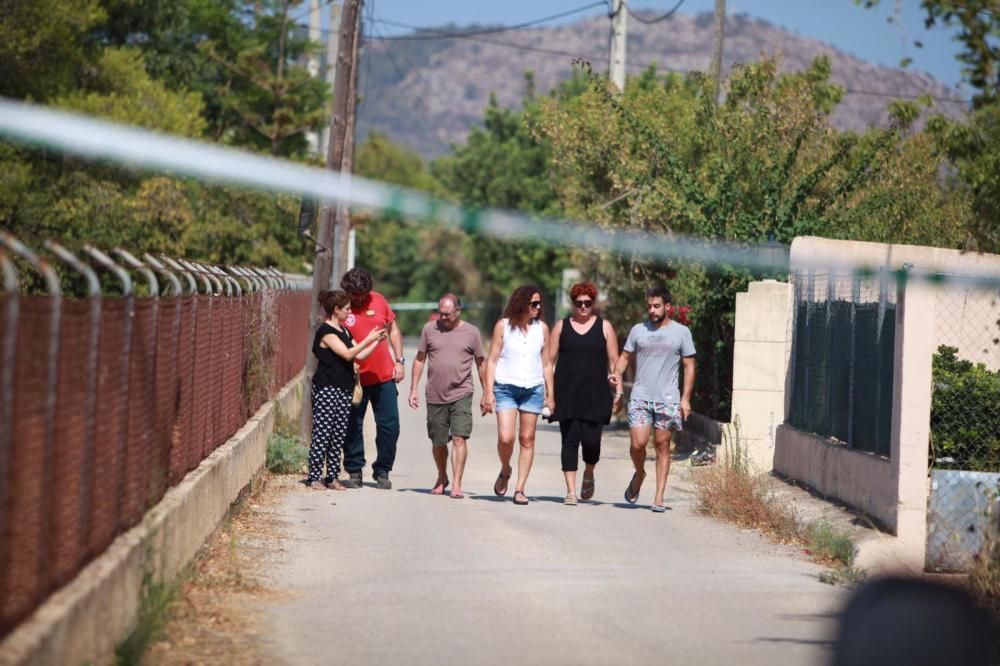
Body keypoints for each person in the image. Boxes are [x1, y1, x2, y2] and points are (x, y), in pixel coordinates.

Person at [611, 285, 696, 512]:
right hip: (640, 396)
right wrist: (616, 373)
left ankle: (658, 496)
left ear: (667, 307)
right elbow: (625, 356)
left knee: (662, 445)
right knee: (637, 444)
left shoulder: (682, 333)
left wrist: (685, 399)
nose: (652, 310)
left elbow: (689, 366)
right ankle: (639, 473)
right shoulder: (639, 330)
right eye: (649, 306)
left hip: (667, 398)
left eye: (657, 306)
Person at [407, 294, 486, 499]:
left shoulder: (472, 333)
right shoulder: (429, 329)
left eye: (448, 314)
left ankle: (457, 484)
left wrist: (487, 393)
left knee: (459, 437)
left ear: (458, 311)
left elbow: (481, 363)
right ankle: (442, 477)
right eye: (441, 313)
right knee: (438, 441)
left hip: (462, 391)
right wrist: (413, 388)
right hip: (435, 393)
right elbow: (420, 359)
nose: (443, 317)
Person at [482, 285, 555, 506]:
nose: (538, 307)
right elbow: (492, 360)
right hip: (505, 388)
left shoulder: (541, 329)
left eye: (539, 303)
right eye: (534, 303)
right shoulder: (503, 326)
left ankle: (520, 488)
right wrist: (487, 392)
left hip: (533, 389)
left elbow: (547, 363)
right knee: (506, 438)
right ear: (521, 304)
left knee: (527, 439)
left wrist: (551, 394)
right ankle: (505, 469)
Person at [307, 290, 386, 490]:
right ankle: (314, 476)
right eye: (347, 309)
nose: (349, 312)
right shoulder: (326, 332)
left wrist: (376, 340)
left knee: (338, 434)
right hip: (326, 388)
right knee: (322, 433)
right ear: (336, 309)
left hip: (343, 389)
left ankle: (332, 476)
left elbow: (359, 354)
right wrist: (368, 339)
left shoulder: (344, 331)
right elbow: (348, 354)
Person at [548, 282, 619, 505]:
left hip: (595, 395)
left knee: (591, 443)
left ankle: (589, 471)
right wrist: (549, 394)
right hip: (566, 394)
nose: (583, 307)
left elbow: (615, 364)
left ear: (593, 303)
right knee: (569, 441)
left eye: (588, 303)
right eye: (579, 303)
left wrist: (618, 392)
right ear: (573, 303)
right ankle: (570, 491)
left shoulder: (604, 327)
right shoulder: (561, 327)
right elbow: (548, 362)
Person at [339, 268, 405, 490]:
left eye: (361, 294)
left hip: (383, 376)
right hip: (352, 377)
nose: (358, 299)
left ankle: (383, 469)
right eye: (354, 294)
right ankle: (354, 470)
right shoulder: (341, 307)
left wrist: (399, 361)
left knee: (390, 426)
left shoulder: (379, 301)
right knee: (352, 425)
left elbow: (393, 330)